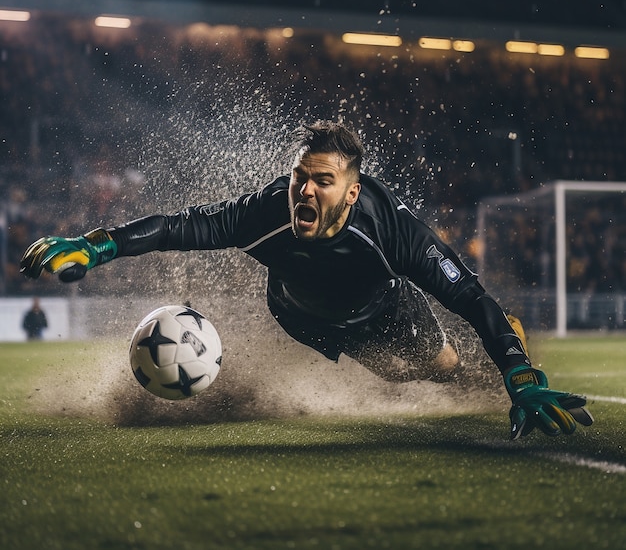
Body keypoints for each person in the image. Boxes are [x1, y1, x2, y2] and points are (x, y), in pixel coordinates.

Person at [20, 120, 592, 439]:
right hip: (299, 316)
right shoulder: (268, 213)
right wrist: (96, 246)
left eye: (322, 180)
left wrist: (519, 372)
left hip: (384, 311)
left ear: (352, 190)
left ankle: (479, 372)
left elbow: (469, 294)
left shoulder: (392, 230)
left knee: (433, 369)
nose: (305, 191)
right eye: (299, 177)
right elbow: (180, 227)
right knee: (390, 375)